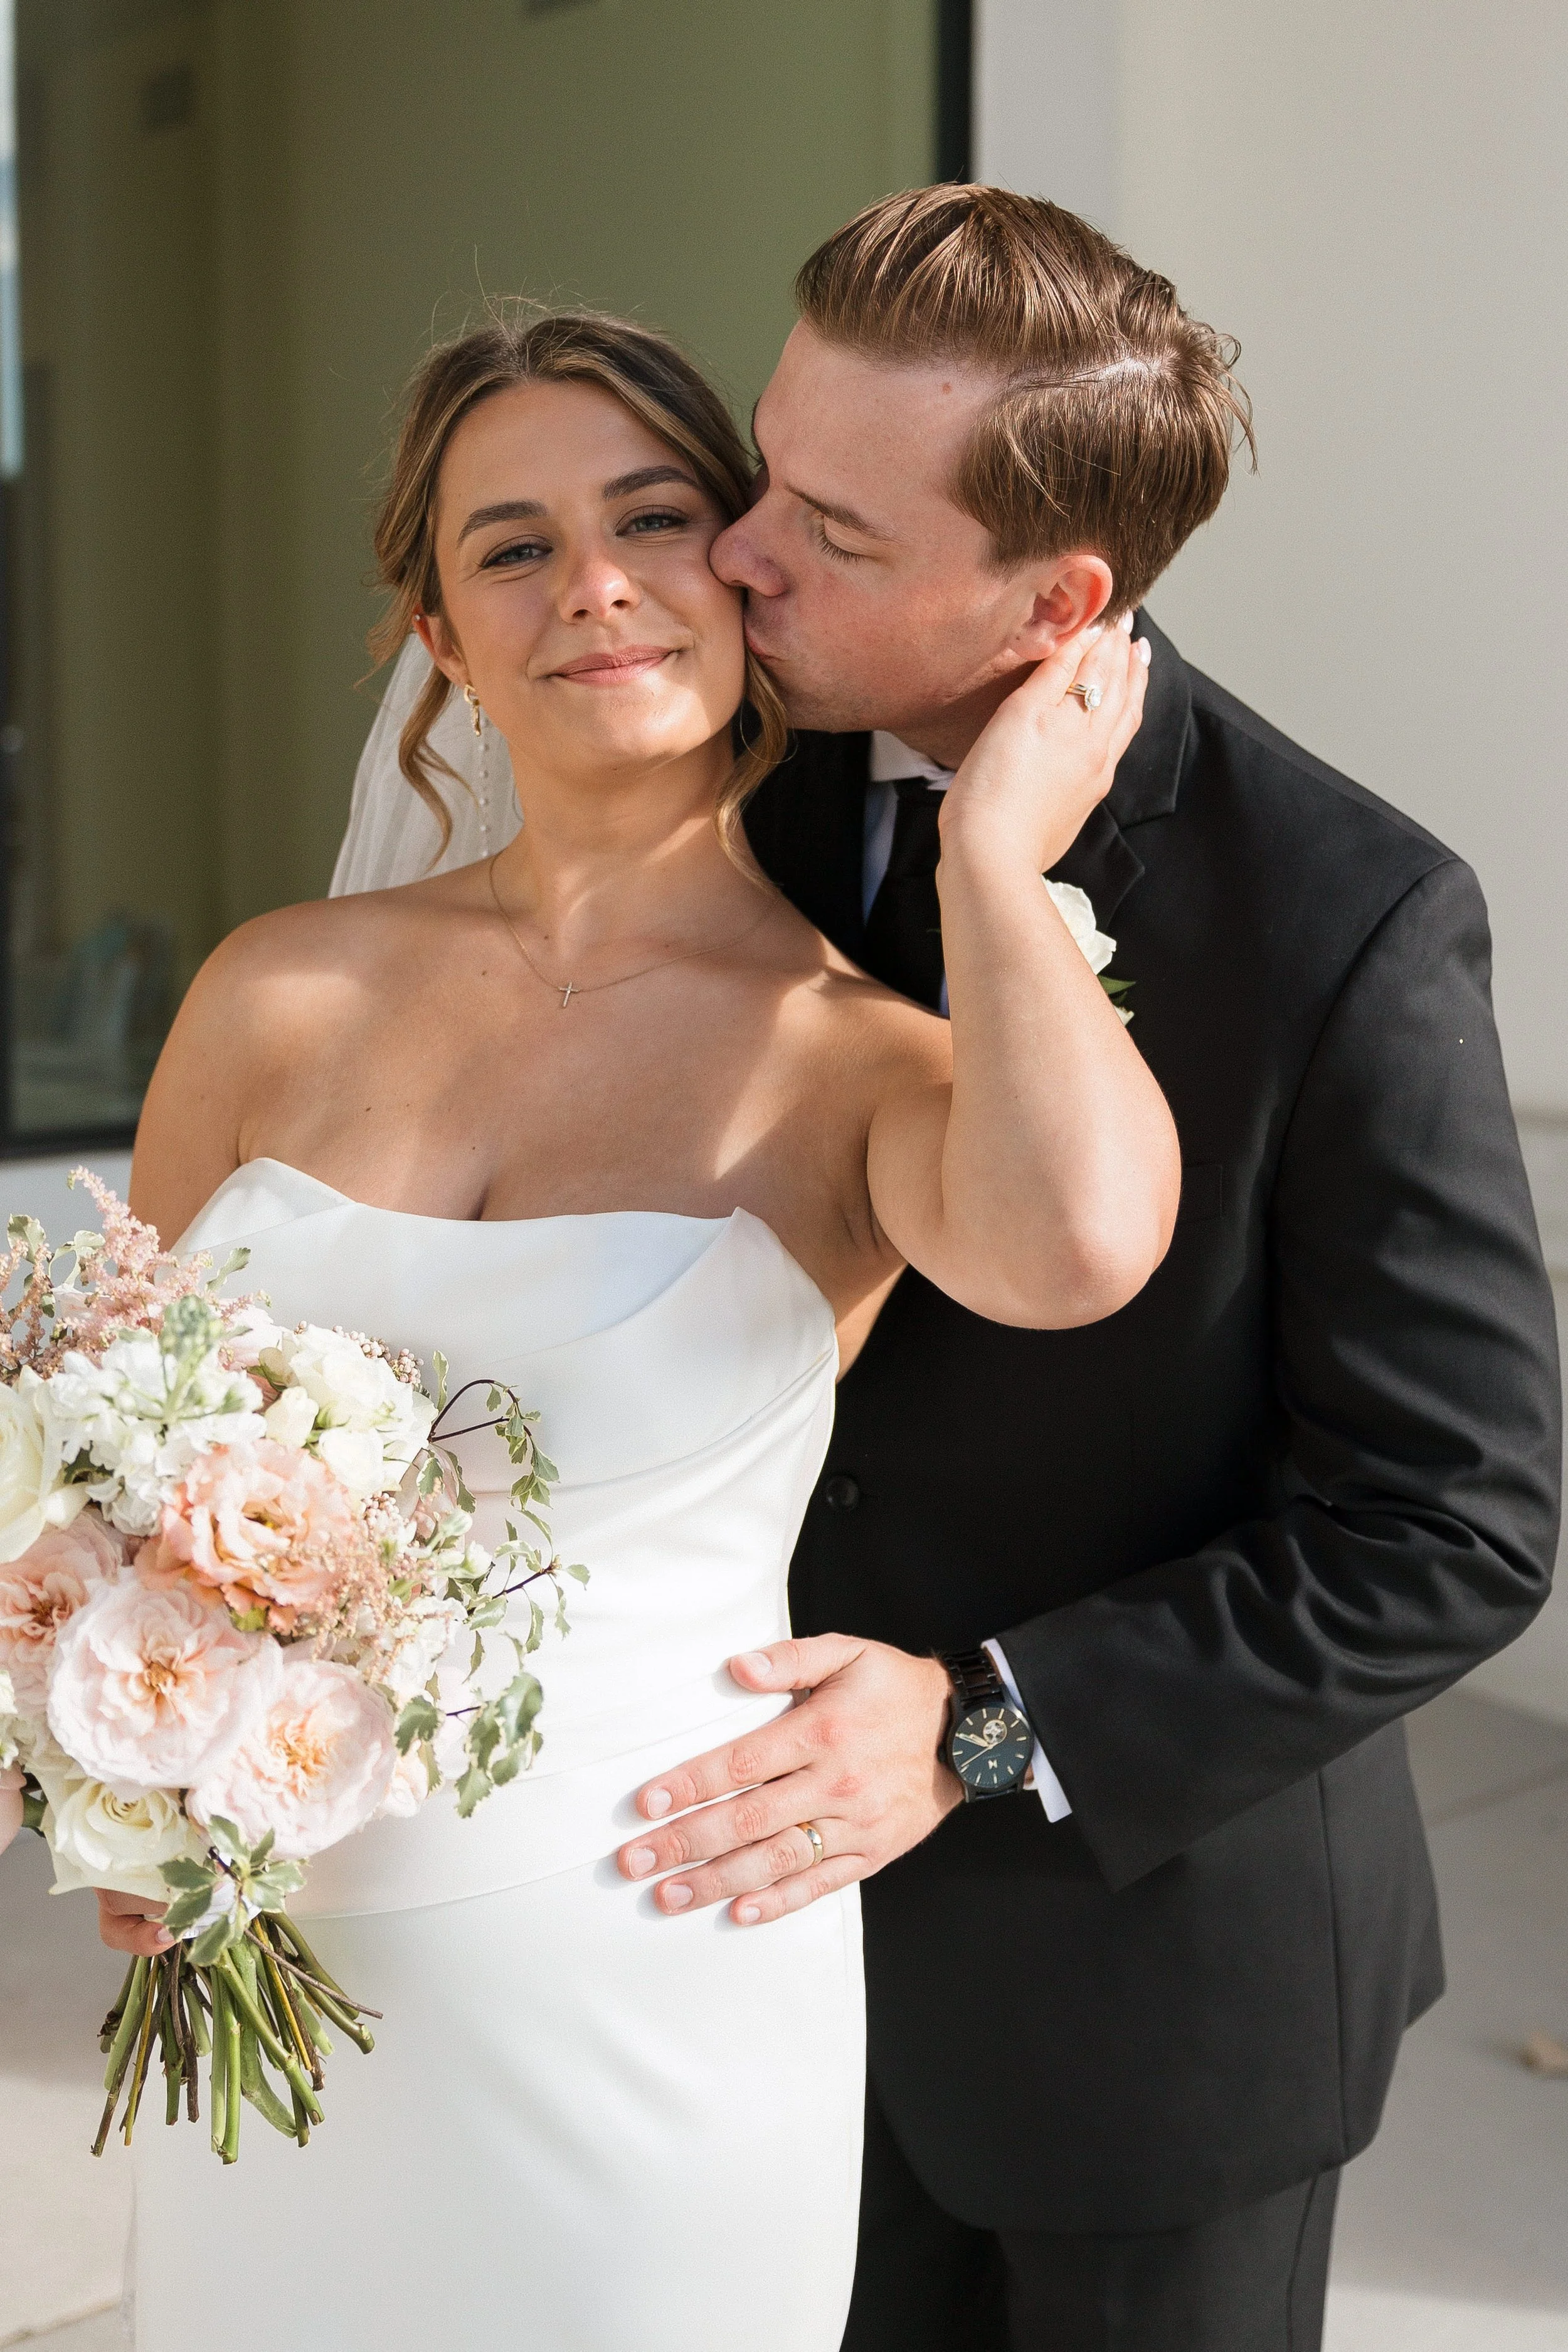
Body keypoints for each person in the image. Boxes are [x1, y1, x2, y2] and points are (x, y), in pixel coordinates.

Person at [346, 191, 1561, 2352]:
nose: (736, 559)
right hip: (711, 1954)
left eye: (830, 530)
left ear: (1054, 600)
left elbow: (1449, 1526)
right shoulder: (719, 766)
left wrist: (980, 1731)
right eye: (763, 476)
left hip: (1145, 2009)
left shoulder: (1342, 920)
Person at [98, 307, 1177, 2352]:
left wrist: (992, 851)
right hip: (265, 1979)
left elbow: (1082, 1248)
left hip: (652, 1981)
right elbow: (113, 1467)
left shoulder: (857, 1062)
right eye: (511, 546)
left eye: (651, 518)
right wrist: (124, 1779)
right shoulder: (271, 992)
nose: (591, 583)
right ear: (439, 630)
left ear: (744, 569)